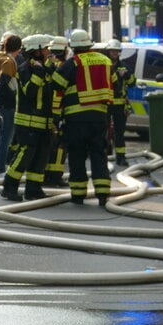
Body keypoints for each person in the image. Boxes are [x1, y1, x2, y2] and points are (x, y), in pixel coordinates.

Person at [50, 28, 113, 205]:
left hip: (76, 119)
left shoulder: (73, 63)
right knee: (98, 155)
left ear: (73, 47)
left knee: (77, 155)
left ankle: (78, 194)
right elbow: (114, 83)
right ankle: (102, 194)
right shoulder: (106, 61)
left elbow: (56, 84)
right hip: (99, 117)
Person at [1, 35, 55, 202]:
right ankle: (9, 186)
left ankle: (33, 189)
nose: (48, 52)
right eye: (45, 49)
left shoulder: (43, 68)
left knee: (40, 157)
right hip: (28, 122)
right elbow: (29, 92)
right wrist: (39, 74)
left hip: (44, 122)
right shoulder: (25, 69)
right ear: (36, 51)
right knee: (24, 155)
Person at [0, 33, 21, 175]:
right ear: (18, 48)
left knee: (2, 136)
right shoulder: (9, 62)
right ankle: (1, 169)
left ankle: (0, 166)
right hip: (7, 104)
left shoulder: (1, 59)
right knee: (6, 137)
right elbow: (4, 82)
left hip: (1, 103)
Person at [44, 35, 68, 187]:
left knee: (49, 144)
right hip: (59, 112)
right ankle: (54, 176)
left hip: (47, 111)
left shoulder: (47, 64)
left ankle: (47, 175)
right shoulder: (64, 66)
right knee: (60, 145)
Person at [103, 38, 130, 166]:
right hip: (106, 103)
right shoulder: (103, 65)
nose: (114, 53)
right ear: (108, 52)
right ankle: (102, 155)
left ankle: (121, 157)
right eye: (112, 51)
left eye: (116, 51)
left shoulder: (124, 66)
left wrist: (126, 76)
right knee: (103, 130)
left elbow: (132, 82)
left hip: (119, 104)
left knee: (119, 132)